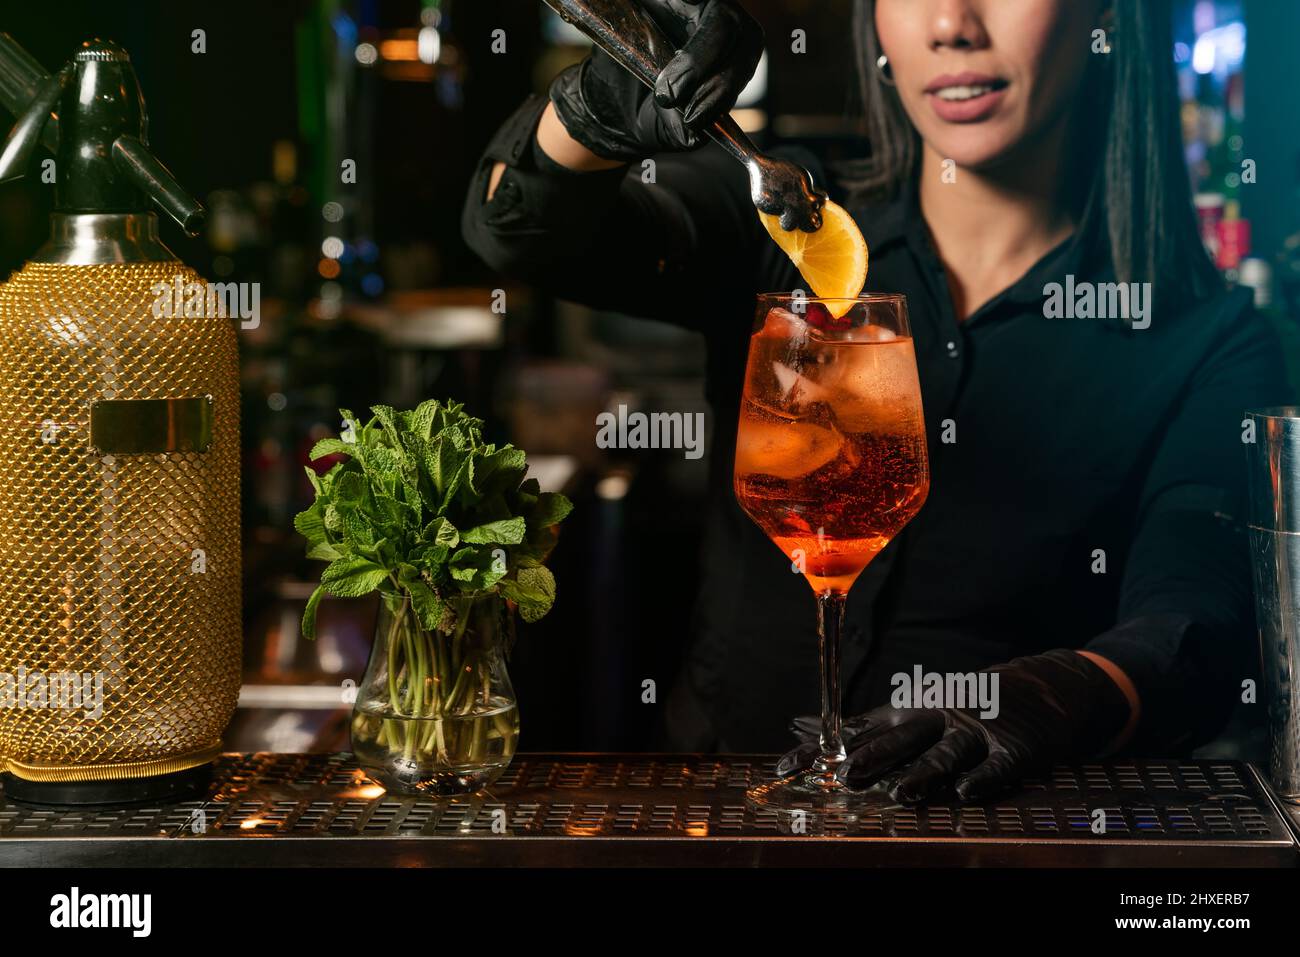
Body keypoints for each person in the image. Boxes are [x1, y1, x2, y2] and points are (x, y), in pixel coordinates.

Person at [461, 0, 1293, 802]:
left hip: (991, 830)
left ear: (1105, 13)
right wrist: (594, 110)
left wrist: (1060, 691)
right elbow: (516, 227)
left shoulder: (1210, 341)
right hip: (722, 813)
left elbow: (1198, 622)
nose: (950, 25)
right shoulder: (788, 223)